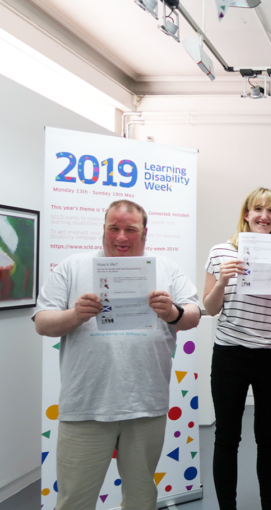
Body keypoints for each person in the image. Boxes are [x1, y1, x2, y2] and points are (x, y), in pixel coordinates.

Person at [33, 200, 200, 510]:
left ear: (145, 233)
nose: (121, 237)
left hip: (147, 405)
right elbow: (43, 322)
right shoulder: (73, 266)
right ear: (104, 229)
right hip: (86, 407)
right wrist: (76, 315)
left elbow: (193, 314)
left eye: (130, 229)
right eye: (114, 228)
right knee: (74, 501)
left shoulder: (166, 268)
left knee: (141, 499)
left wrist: (173, 312)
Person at [203, 188, 271, 510]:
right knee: (226, 437)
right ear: (245, 214)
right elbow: (211, 307)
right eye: (257, 209)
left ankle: (269, 506)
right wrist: (221, 280)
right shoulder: (221, 251)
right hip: (230, 352)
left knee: (269, 436)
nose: (264, 216)